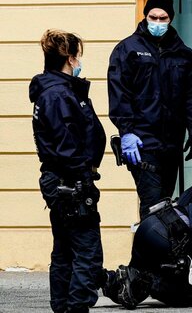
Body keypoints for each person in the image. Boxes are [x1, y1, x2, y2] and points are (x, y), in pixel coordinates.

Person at [107, 0, 192, 218]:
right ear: (145, 16)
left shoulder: (184, 54)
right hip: (141, 142)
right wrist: (126, 131)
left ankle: (158, 251)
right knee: (153, 205)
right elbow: (119, 93)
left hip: (171, 142)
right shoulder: (127, 49)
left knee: (165, 203)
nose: (158, 23)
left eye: (163, 18)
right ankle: (150, 251)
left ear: (171, 19)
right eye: (153, 17)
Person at [30, 29, 106, 313]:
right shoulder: (59, 95)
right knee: (86, 254)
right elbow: (66, 146)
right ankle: (74, 308)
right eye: (78, 56)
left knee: (64, 250)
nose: (79, 62)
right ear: (71, 58)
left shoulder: (59, 90)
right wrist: (83, 177)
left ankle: (63, 308)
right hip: (70, 182)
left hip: (63, 180)